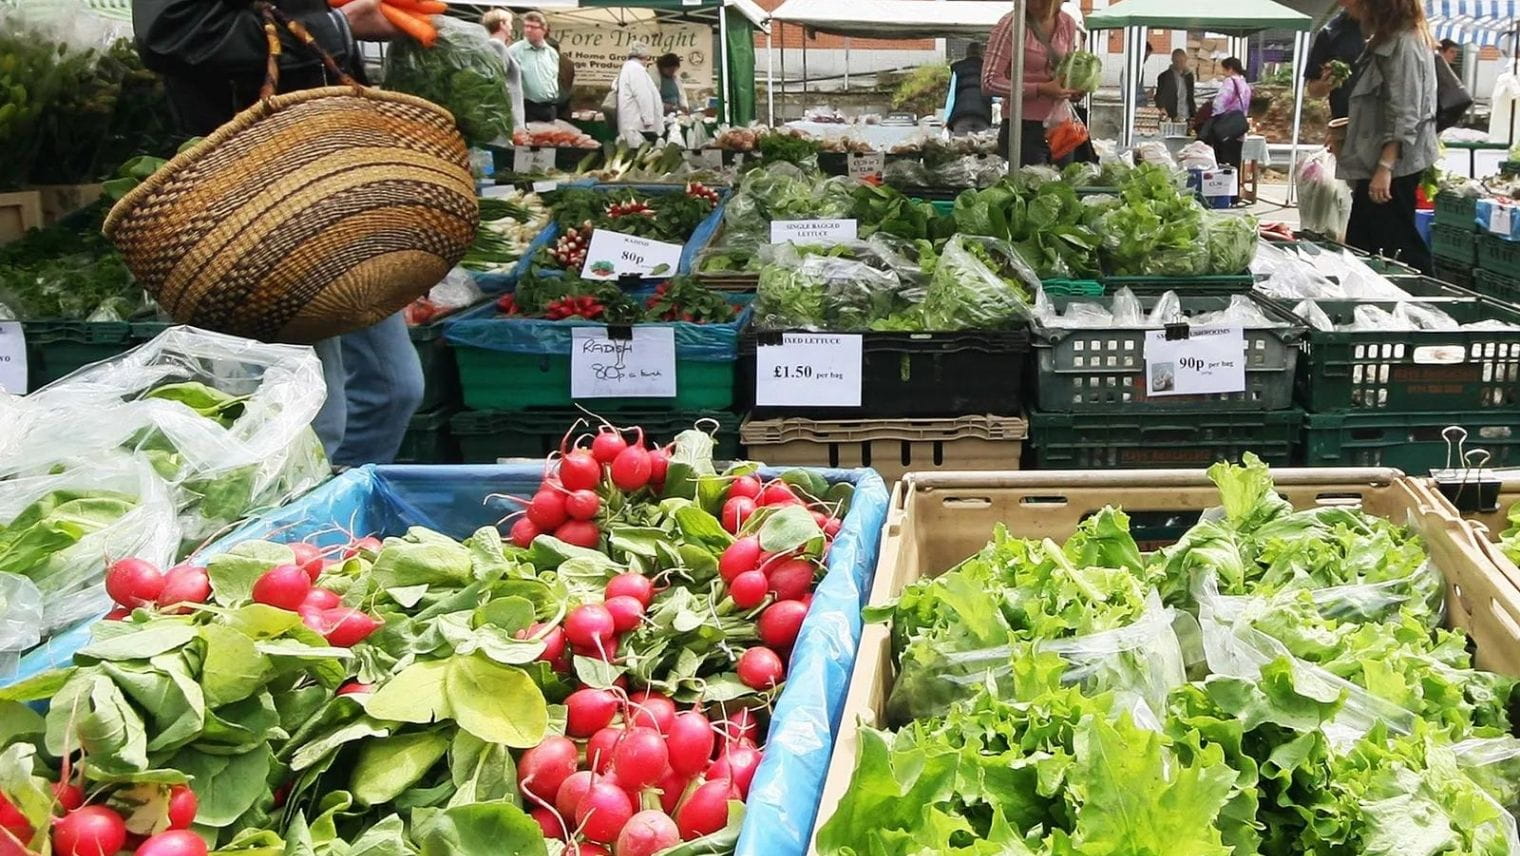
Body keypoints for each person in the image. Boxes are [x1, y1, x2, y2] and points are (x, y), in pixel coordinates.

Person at [132, 0, 425, 467]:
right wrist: (337, 27)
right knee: (311, 417)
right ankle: (292, 528)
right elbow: (172, 32)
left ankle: (334, 515)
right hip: (252, 199)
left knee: (393, 388)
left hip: (324, 186)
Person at [1339, 0, 1438, 274]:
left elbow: (1406, 110)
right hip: (1379, 159)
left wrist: (1385, 167)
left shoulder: (1404, 44)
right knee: (1364, 241)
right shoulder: (1389, 39)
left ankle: (1426, 303)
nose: (1347, 7)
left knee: (1396, 243)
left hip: (1394, 164)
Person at [983, 0, 1081, 166]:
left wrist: (1073, 90)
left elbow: (1066, 72)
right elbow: (989, 81)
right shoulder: (1011, 25)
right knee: (1030, 188)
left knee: (1064, 188)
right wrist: (1040, 89)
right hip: (1023, 128)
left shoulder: (1067, 23)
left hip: (1061, 128)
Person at [1306, 1, 1365, 121]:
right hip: (1345, 122)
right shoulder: (1329, 33)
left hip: (1384, 123)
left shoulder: (1389, 26)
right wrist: (1326, 84)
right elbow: (1313, 90)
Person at [481, 9, 528, 142]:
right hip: (508, 114)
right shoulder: (496, 45)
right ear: (502, 24)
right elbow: (499, 82)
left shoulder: (496, 45)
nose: (511, 27)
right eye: (510, 23)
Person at [1205, 57, 1252, 178]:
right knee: (1235, 165)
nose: (1223, 73)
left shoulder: (1230, 82)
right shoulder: (1246, 85)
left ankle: (1223, 193)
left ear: (1230, 69)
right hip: (1238, 130)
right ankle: (1234, 194)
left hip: (1226, 129)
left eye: (1224, 70)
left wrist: (1214, 118)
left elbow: (1219, 103)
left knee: (1223, 165)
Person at [509, 11, 560, 122]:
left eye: (533, 27)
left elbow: (553, 78)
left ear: (544, 30)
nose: (528, 30)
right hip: (527, 108)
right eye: (526, 26)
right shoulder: (514, 51)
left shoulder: (551, 53)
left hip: (549, 108)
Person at [613, 43, 663, 145]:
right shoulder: (636, 69)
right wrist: (648, 119)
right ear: (644, 56)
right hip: (639, 125)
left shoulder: (628, 68)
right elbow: (643, 95)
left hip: (633, 123)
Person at [944, 43, 993, 135]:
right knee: (982, 147)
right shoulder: (987, 69)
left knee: (961, 146)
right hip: (982, 116)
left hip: (961, 117)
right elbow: (994, 92)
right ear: (982, 54)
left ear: (967, 53)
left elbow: (952, 95)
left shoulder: (958, 68)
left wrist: (946, 118)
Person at [1155, 48, 1197, 122]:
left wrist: (1194, 114)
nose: (1179, 64)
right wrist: (1162, 108)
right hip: (1171, 115)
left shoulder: (1189, 76)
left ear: (1186, 60)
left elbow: (1190, 96)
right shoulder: (1164, 76)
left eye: (1182, 61)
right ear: (1172, 60)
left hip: (1186, 114)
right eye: (1177, 61)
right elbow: (1159, 95)